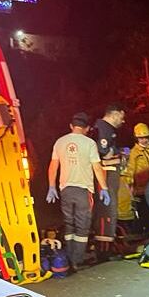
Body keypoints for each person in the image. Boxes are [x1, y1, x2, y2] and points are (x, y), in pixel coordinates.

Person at [46, 112, 110, 271]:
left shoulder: (60, 142)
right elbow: (97, 167)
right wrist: (105, 188)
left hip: (65, 189)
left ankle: (68, 257)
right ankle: (77, 260)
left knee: (69, 223)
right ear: (87, 128)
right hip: (83, 190)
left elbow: (53, 165)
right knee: (82, 226)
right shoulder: (89, 143)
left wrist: (51, 186)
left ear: (71, 126)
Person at [91, 103, 126, 258]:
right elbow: (104, 153)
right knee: (106, 210)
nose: (123, 121)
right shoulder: (103, 128)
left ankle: (107, 244)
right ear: (115, 114)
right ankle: (104, 248)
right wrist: (116, 153)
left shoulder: (106, 129)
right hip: (106, 174)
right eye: (122, 117)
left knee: (109, 209)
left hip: (109, 174)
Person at [120, 123, 149, 232]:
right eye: (141, 138)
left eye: (145, 137)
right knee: (145, 215)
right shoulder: (133, 153)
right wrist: (130, 190)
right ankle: (146, 235)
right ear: (136, 138)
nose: (144, 140)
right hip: (141, 190)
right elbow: (129, 173)